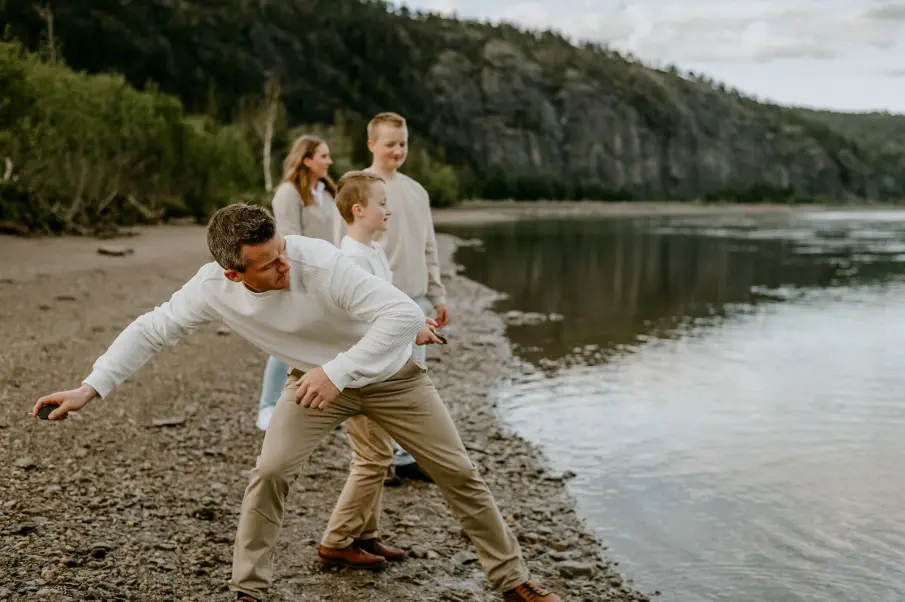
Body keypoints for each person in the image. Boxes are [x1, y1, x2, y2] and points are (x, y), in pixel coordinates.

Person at [32, 203, 561, 602]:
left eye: (282, 251)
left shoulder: (319, 262)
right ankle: (250, 590)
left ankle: (513, 582)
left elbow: (402, 315)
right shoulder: (211, 288)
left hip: (393, 377)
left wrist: (338, 370)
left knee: (458, 472)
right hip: (313, 383)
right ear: (234, 274)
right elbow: (151, 330)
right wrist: (90, 387)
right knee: (270, 470)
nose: (285, 266)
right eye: (268, 264)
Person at [318, 170, 408, 565]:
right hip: (362, 375)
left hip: (380, 369)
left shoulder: (371, 250)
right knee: (372, 458)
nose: (388, 210)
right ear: (358, 210)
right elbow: (367, 319)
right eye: (382, 203)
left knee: (378, 454)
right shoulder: (351, 258)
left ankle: (366, 534)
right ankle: (336, 541)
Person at [365, 111, 451, 479]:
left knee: (413, 379)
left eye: (403, 144)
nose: (398, 151)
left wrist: (438, 294)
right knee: (376, 380)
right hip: (375, 302)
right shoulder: (357, 187)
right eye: (390, 144)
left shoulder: (417, 191)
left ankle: (405, 457)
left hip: (416, 301)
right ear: (372, 144)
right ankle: (377, 458)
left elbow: (429, 246)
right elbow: (341, 249)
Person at [256, 134, 340, 432]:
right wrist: (301, 276)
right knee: (285, 340)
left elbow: (338, 234)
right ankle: (267, 406)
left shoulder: (328, 192)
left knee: (324, 340)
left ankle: (319, 408)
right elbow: (289, 238)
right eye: (323, 156)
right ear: (306, 159)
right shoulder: (288, 193)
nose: (329, 161)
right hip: (300, 276)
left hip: (330, 274)